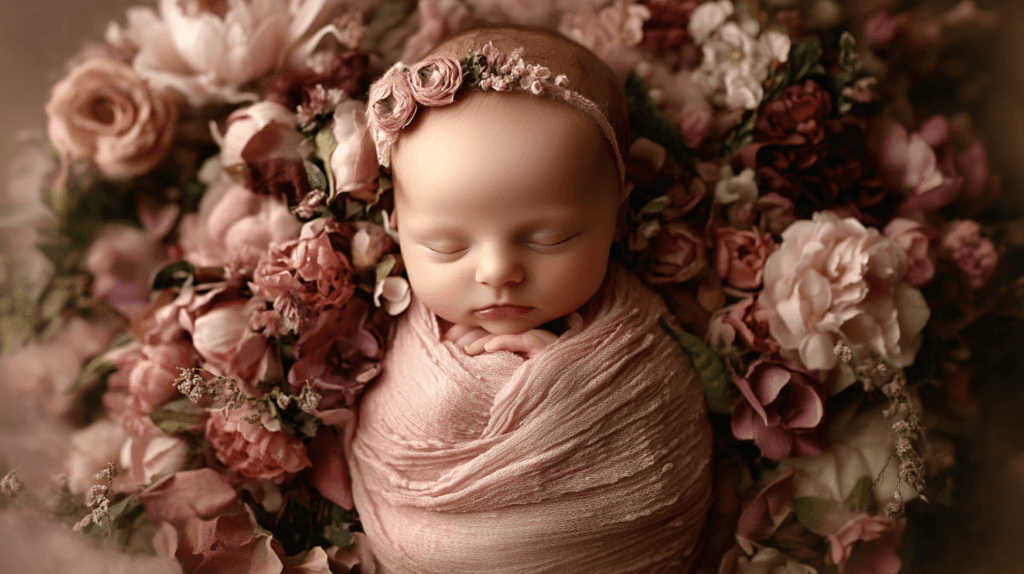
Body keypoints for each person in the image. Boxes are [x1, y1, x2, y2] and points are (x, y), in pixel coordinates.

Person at [347, 24, 714, 573]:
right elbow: (384, 458)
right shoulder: (388, 331)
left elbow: (662, 472)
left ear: (616, 217)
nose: (498, 272)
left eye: (550, 238)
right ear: (396, 227)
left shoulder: (640, 342)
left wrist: (566, 386)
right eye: (446, 245)